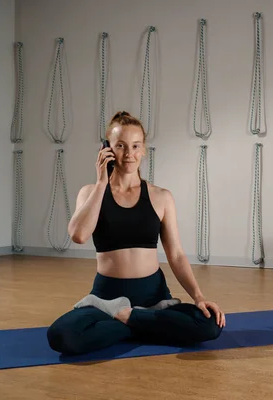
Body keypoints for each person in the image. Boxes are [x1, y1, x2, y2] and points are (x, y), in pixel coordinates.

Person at [46, 111, 225, 355]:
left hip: (155, 297)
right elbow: (78, 235)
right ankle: (139, 324)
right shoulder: (90, 193)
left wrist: (198, 296)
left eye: (135, 146)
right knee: (61, 336)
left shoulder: (161, 196)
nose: (129, 154)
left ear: (143, 150)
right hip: (107, 299)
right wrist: (101, 183)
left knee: (210, 325)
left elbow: (176, 254)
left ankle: (129, 320)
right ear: (106, 149)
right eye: (120, 146)